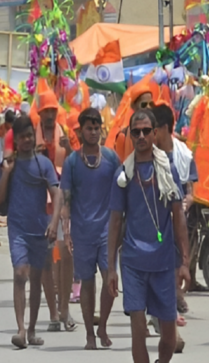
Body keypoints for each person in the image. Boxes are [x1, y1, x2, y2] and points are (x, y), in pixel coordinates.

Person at [107, 109, 190, 363]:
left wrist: (185, 262)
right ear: (130, 135)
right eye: (136, 132)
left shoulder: (168, 170)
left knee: (169, 337)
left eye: (146, 130)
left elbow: (179, 218)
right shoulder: (123, 175)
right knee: (138, 329)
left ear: (155, 133)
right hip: (132, 261)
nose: (141, 136)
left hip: (164, 262)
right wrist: (111, 267)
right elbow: (115, 221)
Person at [0, 115, 63, 348]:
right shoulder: (10, 166)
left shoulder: (44, 164)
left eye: (29, 136)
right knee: (20, 273)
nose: (26, 140)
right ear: (16, 140)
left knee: (35, 279)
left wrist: (54, 223)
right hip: (18, 229)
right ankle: (21, 329)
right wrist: (5, 173)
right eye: (22, 136)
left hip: (40, 230)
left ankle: (32, 330)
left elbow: (57, 193)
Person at [61, 108, 120, 350]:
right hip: (82, 232)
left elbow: (121, 190)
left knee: (110, 282)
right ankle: (89, 334)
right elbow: (65, 198)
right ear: (80, 131)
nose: (94, 132)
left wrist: (122, 225)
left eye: (97, 128)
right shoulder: (72, 162)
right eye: (89, 128)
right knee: (87, 282)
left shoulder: (111, 158)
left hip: (107, 231)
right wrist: (65, 229)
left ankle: (103, 325)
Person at [153, 103, 198, 352]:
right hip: (152, 228)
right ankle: (168, 328)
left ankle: (171, 330)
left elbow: (191, 191)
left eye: (152, 129)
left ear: (163, 129)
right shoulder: (146, 157)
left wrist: (186, 201)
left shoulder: (184, 156)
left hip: (176, 226)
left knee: (171, 277)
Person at [35, 87, 78, 332]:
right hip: (40, 205)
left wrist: (69, 149)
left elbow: (77, 164)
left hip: (63, 202)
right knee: (46, 259)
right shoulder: (32, 136)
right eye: (46, 111)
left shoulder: (67, 135)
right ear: (40, 114)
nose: (50, 115)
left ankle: (65, 308)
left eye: (53, 110)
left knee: (66, 254)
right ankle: (53, 312)